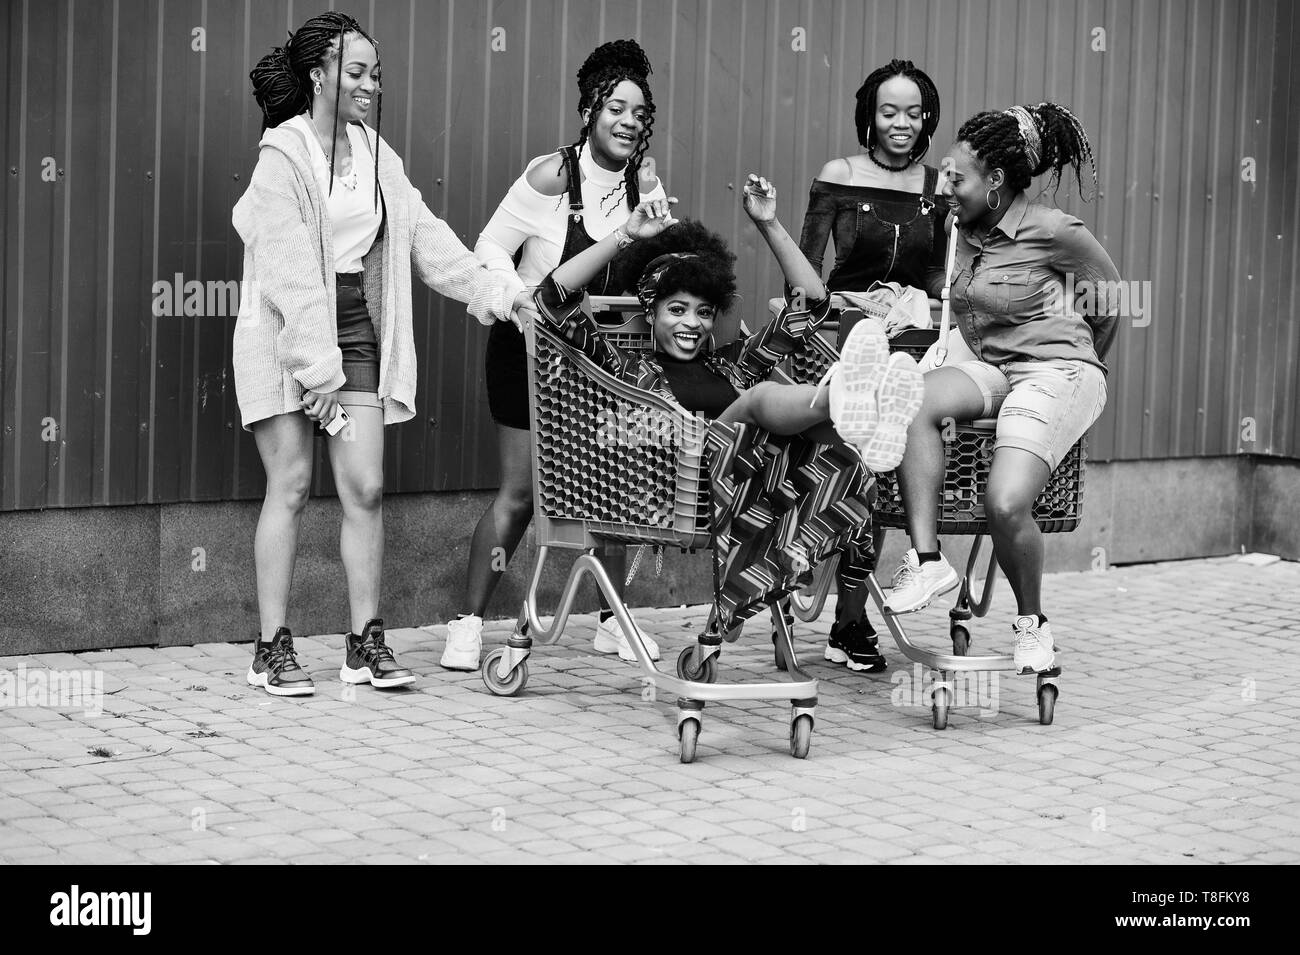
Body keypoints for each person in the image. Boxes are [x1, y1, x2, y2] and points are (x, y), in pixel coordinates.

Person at [233, 11, 531, 696]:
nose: (372, 85)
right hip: (283, 330)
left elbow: (427, 238)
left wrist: (502, 293)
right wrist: (316, 370)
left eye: (377, 74)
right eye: (358, 72)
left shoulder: (376, 155)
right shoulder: (282, 156)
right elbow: (287, 272)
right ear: (319, 75)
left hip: (357, 325)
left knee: (365, 485)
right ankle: (270, 647)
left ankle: (364, 644)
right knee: (293, 482)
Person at [444, 39, 668, 670]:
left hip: (603, 361)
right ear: (590, 109)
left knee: (618, 488)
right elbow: (488, 245)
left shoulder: (641, 186)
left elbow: (651, 273)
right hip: (529, 353)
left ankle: (611, 621)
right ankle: (466, 624)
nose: (628, 121)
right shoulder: (553, 175)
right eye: (615, 107)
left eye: (639, 112)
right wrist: (515, 300)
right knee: (519, 494)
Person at [887, 102, 1121, 675]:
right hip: (994, 365)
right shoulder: (962, 229)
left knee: (1005, 502)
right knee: (908, 398)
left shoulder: (1054, 230)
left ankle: (1032, 623)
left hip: (1058, 370)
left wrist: (1077, 374)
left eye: (955, 177)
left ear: (995, 182)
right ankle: (927, 560)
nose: (944, 185)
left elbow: (1110, 302)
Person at [532, 176, 925, 507]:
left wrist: (769, 223)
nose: (692, 323)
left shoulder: (730, 365)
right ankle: (843, 397)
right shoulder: (623, 367)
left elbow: (813, 307)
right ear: (650, 312)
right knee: (758, 399)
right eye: (677, 310)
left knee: (835, 452)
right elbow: (551, 298)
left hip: (750, 486)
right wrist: (626, 235)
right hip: (678, 491)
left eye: (703, 312)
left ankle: (866, 425)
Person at [797, 58, 947, 675]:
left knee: (888, 443)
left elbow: (942, 277)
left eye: (914, 113)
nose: (902, 124)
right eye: (890, 111)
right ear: (869, 115)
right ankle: (847, 615)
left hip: (913, 336)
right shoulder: (839, 174)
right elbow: (804, 272)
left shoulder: (940, 186)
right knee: (864, 447)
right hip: (846, 335)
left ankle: (850, 620)